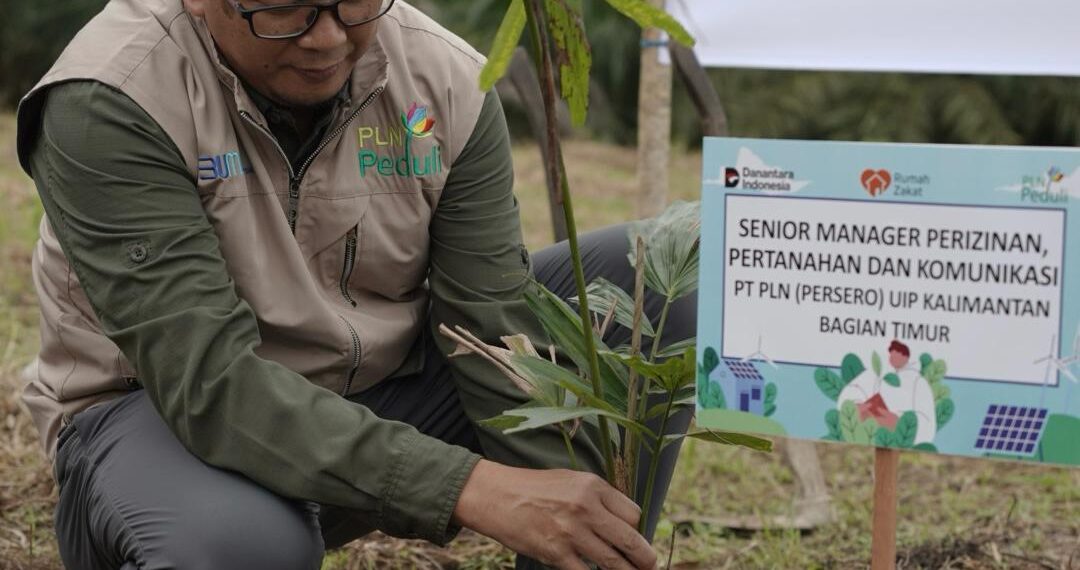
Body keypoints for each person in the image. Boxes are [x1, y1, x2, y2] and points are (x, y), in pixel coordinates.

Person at [15, 0, 695, 568]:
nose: (326, 37)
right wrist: (471, 487)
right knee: (241, 547)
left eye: (355, 3)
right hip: (166, 428)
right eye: (285, 8)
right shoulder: (114, 95)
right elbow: (209, 385)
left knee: (655, 274)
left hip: (377, 399)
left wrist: (574, 521)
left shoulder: (448, 81)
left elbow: (494, 331)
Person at [836, 340, 936, 443]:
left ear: (905, 356)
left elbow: (928, 424)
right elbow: (854, 389)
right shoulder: (879, 373)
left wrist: (898, 423)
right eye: (891, 353)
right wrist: (856, 407)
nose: (892, 356)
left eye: (896, 353)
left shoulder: (918, 382)